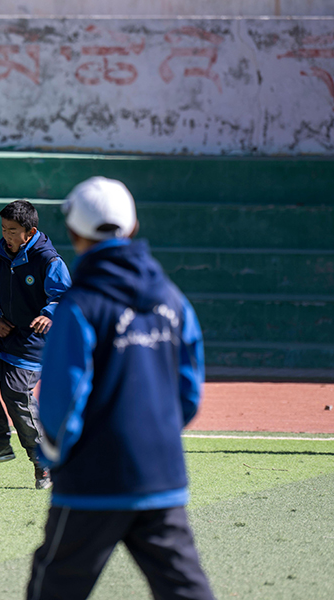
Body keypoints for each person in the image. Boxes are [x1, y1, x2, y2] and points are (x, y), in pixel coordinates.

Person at [28, 177, 214, 600]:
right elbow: (189, 390)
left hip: (94, 478)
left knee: (54, 585)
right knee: (184, 587)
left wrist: (54, 452)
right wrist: (155, 437)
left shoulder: (81, 303)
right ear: (132, 227)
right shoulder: (172, 297)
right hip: (160, 473)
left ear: (75, 233)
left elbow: (62, 397)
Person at [0, 200, 72, 490]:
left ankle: (44, 465)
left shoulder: (49, 260)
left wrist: (48, 315)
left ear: (30, 231)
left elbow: (64, 298)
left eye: (12, 231)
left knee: (16, 394)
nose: (6, 235)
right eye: (3, 229)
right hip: (1, 334)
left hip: (33, 342)